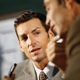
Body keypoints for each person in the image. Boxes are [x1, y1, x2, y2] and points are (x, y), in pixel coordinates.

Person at [2, 10, 63, 80]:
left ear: (51, 34)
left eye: (36, 33)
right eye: (24, 38)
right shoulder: (15, 73)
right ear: (20, 46)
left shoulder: (72, 65)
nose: (30, 42)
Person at [43, 0, 80, 80]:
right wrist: (66, 67)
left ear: (69, 4)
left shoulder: (77, 29)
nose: (47, 21)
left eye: (48, 9)